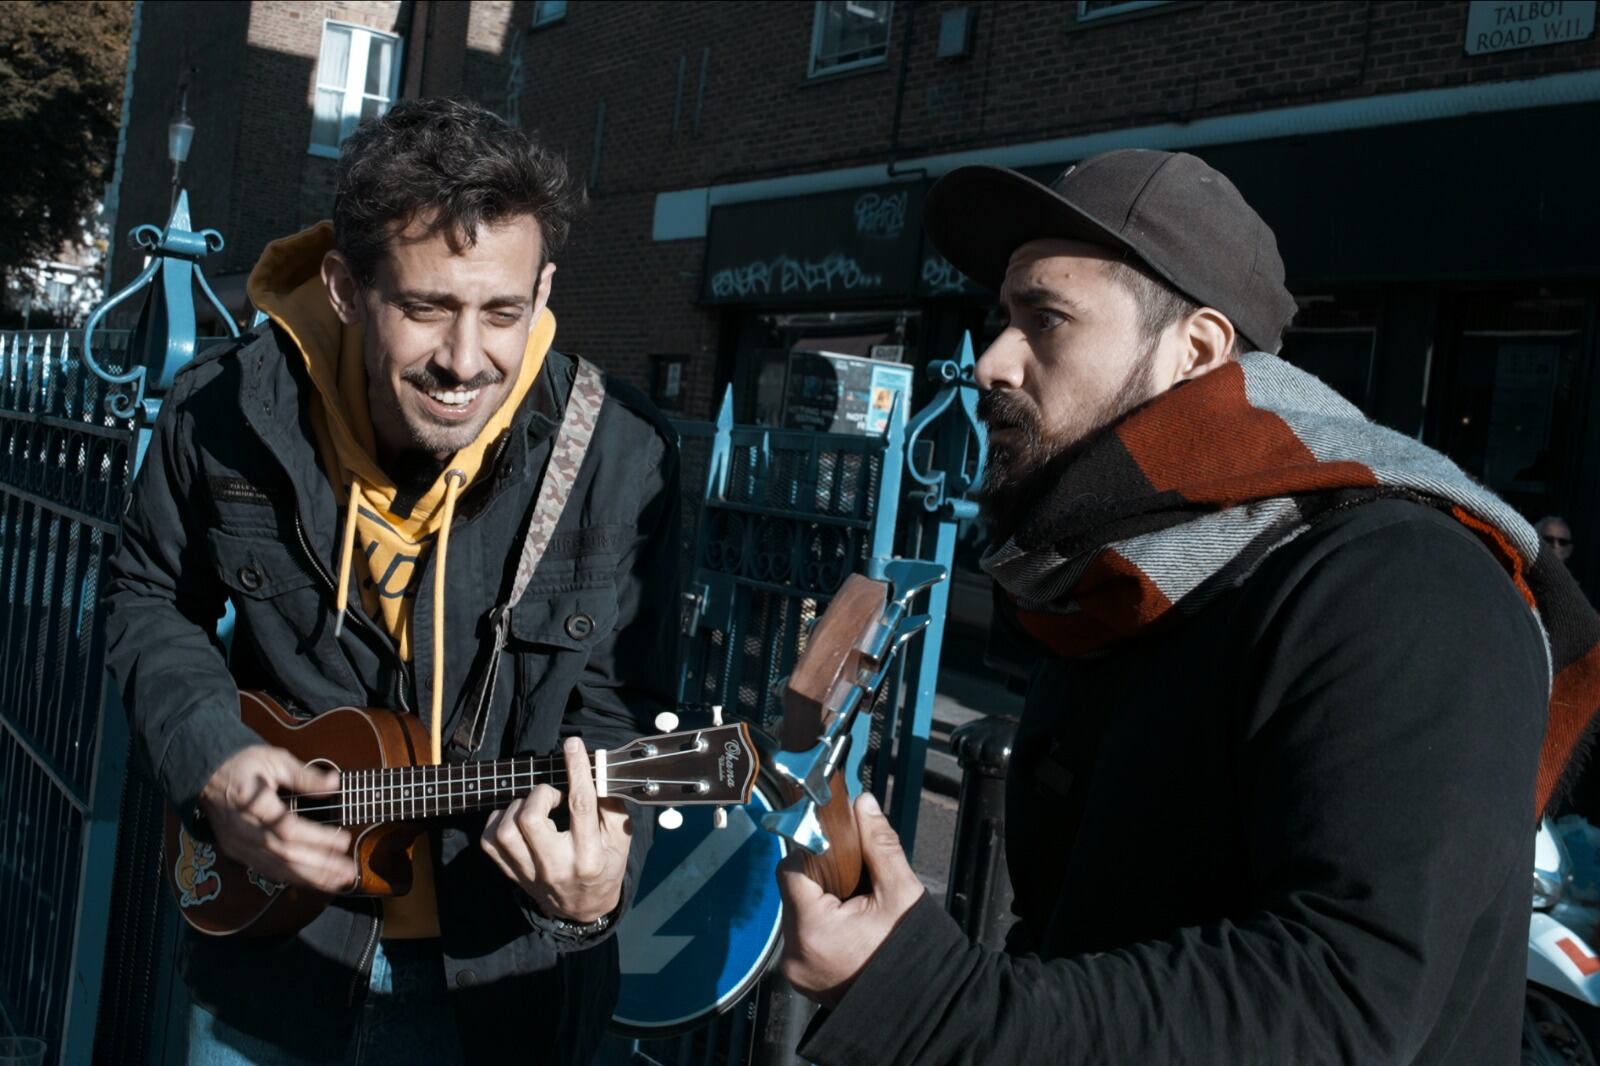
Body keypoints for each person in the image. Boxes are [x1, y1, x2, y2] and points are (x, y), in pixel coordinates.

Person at [776, 150, 1600, 1064]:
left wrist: (939, 1005)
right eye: (999, 318)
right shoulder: (1124, 580)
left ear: (1197, 350)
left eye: (1043, 319)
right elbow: (1079, 935)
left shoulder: (1404, 585)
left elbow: (1344, 1003)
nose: (990, 363)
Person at [103, 98, 680, 1064]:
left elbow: (625, 714)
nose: (466, 360)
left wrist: (593, 897)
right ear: (343, 285)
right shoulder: (220, 412)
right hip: (273, 968)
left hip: (501, 994)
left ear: (543, 290)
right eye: (426, 308)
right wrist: (212, 756)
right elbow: (147, 597)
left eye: (503, 311)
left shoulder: (623, 458)